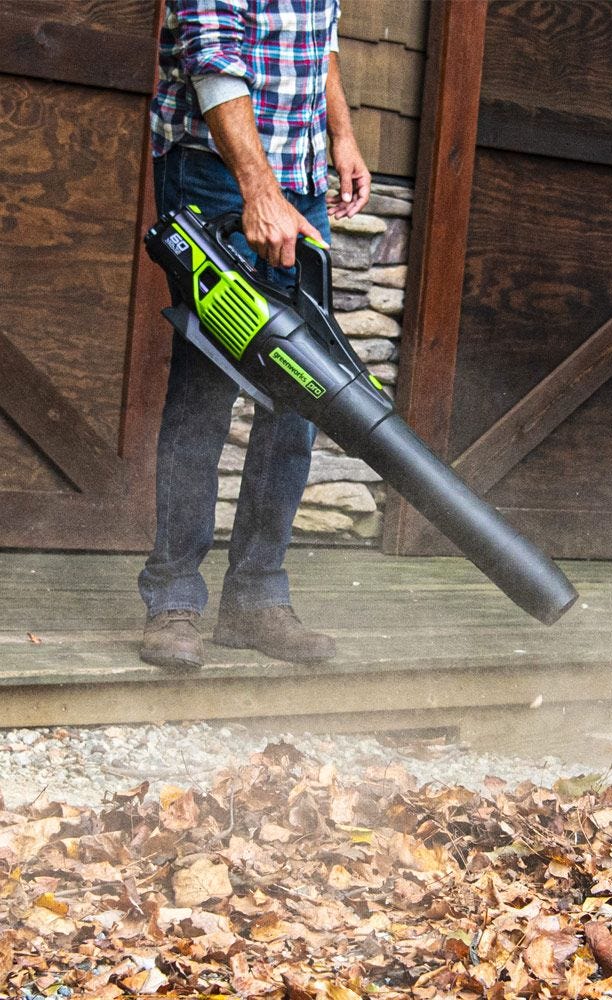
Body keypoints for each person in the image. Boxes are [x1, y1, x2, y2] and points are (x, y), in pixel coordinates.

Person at [139, 0, 371, 670]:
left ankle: (255, 599)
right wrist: (257, 189)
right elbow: (212, 55)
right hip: (217, 172)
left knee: (303, 392)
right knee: (205, 385)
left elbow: (317, 36)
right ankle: (174, 598)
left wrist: (342, 133)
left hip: (297, 174)